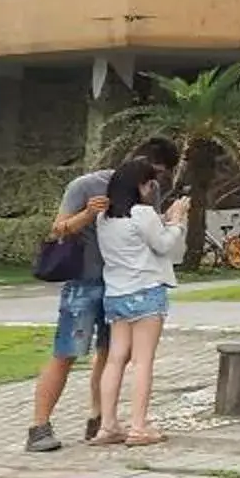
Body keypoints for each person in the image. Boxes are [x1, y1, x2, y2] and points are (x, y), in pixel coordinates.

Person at [28, 138, 180, 454]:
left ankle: (100, 419)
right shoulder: (85, 185)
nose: (154, 182)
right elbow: (57, 230)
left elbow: (147, 233)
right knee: (67, 352)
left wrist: (165, 222)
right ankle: (39, 426)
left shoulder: (149, 191)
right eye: (154, 173)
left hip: (121, 286)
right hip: (84, 281)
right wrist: (87, 214)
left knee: (112, 355)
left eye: (160, 176)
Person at [91, 152, 191, 448]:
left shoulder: (103, 218)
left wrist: (163, 219)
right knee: (143, 361)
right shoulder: (143, 214)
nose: (152, 191)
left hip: (116, 294)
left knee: (115, 358)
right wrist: (177, 221)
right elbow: (163, 245)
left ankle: (107, 424)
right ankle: (138, 426)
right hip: (146, 291)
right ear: (140, 185)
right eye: (149, 185)